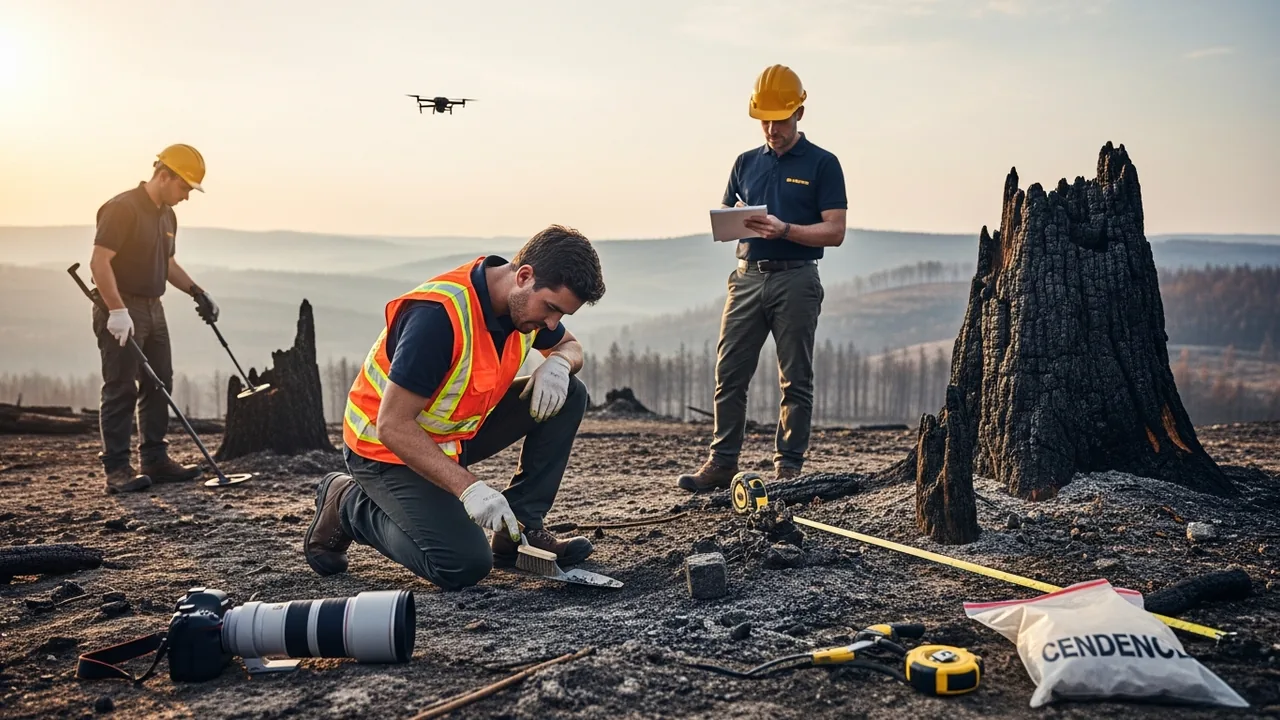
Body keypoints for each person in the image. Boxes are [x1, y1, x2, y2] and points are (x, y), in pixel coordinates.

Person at [303, 225, 607, 591]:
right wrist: (470, 489)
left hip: (454, 437)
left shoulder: (524, 306)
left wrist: (559, 363)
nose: (551, 324)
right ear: (524, 276)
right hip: (385, 450)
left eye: (561, 316)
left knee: (570, 393)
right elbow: (392, 425)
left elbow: (571, 346)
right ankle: (347, 504)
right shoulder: (438, 318)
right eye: (552, 309)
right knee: (462, 564)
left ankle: (518, 534)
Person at [677, 64, 848, 492]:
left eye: (780, 120)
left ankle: (788, 467)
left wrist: (786, 230)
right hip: (746, 278)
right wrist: (732, 225)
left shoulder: (823, 164)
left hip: (797, 280)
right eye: (765, 121)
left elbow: (836, 230)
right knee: (729, 371)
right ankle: (722, 462)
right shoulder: (745, 163)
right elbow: (727, 211)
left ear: (800, 114)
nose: (772, 129)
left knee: (795, 377)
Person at [89, 144, 220, 494]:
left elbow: (169, 264)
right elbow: (99, 262)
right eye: (184, 188)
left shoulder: (167, 214)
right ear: (164, 176)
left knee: (160, 380)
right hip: (120, 307)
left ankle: (155, 459)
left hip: (153, 307)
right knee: (120, 387)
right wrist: (117, 310)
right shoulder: (122, 208)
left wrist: (198, 292)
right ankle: (117, 469)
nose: (187, 197)